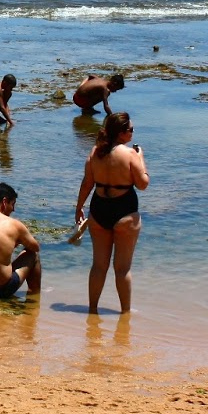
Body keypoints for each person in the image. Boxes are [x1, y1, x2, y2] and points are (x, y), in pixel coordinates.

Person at [74, 112, 149, 315]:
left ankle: (92, 309)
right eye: (131, 129)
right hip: (124, 210)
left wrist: (79, 207)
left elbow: (87, 183)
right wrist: (141, 158)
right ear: (121, 133)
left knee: (99, 266)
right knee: (122, 269)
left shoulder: (95, 151)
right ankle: (125, 314)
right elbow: (143, 184)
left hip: (99, 209)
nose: (133, 132)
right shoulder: (130, 154)